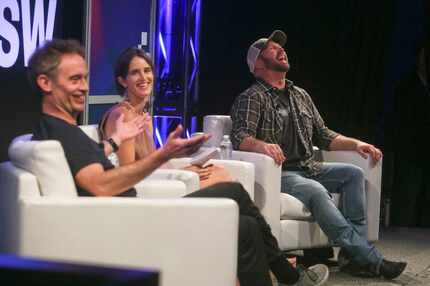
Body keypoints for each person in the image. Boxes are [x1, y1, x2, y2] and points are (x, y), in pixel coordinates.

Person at [28, 39, 329, 286]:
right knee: (237, 200)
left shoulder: (59, 131)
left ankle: (282, 272)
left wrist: (115, 142)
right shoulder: (62, 132)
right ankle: (286, 273)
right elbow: (102, 183)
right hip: (135, 219)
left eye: (84, 78)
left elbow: (95, 161)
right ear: (45, 82)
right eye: (74, 79)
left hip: (136, 209)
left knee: (246, 223)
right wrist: (166, 154)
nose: (83, 87)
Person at [230, 30, 407, 279]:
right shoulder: (252, 97)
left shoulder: (300, 95)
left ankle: (352, 257)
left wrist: (356, 144)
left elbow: (323, 135)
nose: (282, 50)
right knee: (315, 191)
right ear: (257, 64)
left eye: (281, 47)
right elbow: (240, 136)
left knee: (353, 174)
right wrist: (262, 146)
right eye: (272, 48)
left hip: (308, 166)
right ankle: (371, 259)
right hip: (281, 172)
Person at [98, 47, 229, 188]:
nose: (143, 78)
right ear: (123, 81)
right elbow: (127, 173)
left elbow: (151, 162)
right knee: (222, 178)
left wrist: (182, 155)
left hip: (156, 180)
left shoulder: (144, 118)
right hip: (143, 189)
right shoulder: (123, 116)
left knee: (219, 171)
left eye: (147, 71)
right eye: (135, 73)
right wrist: (180, 174)